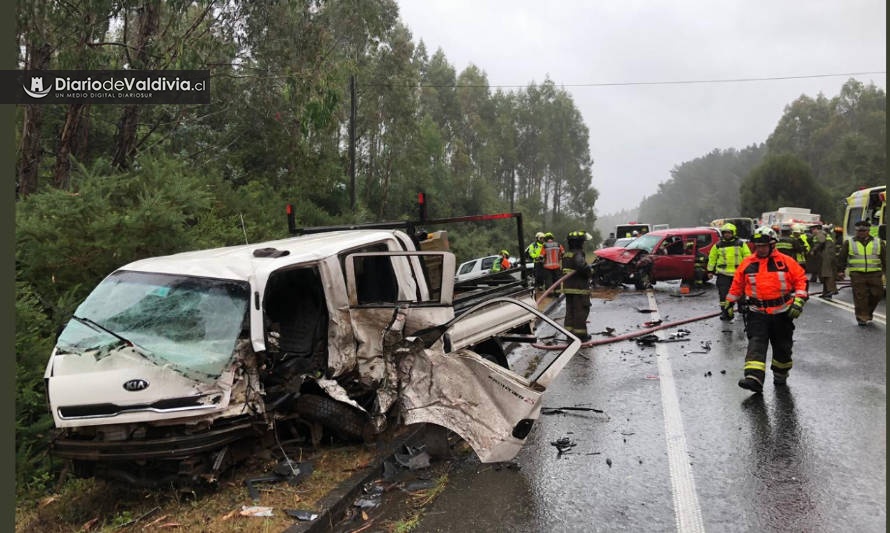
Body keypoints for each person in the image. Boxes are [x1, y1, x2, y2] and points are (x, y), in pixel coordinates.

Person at [725, 226, 808, 393]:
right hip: (757, 313)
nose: (760, 249)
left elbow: (801, 280)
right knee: (756, 344)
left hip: (782, 313)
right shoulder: (748, 263)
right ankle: (753, 378)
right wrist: (729, 302)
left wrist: (798, 301)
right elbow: (737, 285)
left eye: (763, 245)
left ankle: (780, 374)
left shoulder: (785, 262)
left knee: (782, 347)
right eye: (757, 245)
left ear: (772, 244)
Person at [837, 219, 886, 326]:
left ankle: (867, 312)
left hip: (875, 274)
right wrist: (840, 271)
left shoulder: (878, 242)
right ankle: (862, 317)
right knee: (860, 296)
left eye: (863, 231)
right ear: (856, 231)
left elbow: (885, 258)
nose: (861, 233)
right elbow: (842, 257)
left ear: (868, 231)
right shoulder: (849, 242)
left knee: (877, 294)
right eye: (859, 231)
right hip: (857, 274)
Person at [707, 223, 751, 320]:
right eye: (725, 233)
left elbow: (747, 256)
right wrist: (710, 271)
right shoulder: (718, 245)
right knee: (723, 295)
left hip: (738, 274)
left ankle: (742, 308)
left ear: (733, 233)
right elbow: (712, 258)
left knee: (741, 293)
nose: (727, 235)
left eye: (728, 233)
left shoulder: (741, 244)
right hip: (723, 274)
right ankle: (725, 312)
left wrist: (747, 269)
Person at [560, 231, 593, 341]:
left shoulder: (566, 254)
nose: (583, 244)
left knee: (570, 312)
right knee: (580, 311)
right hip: (579, 289)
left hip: (569, 288)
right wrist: (590, 271)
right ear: (579, 243)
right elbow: (581, 266)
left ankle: (569, 335)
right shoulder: (578, 253)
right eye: (583, 242)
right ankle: (581, 336)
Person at [808, 224, 836, 296]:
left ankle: (831, 290)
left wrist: (813, 250)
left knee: (826, 272)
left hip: (827, 254)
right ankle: (826, 291)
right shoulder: (821, 233)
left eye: (813, 230)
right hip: (826, 254)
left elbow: (821, 241)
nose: (812, 231)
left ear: (817, 229)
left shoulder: (820, 233)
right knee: (823, 273)